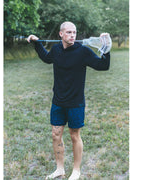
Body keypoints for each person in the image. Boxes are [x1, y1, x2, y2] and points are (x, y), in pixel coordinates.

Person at [27, 21, 110, 180]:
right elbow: (46, 58)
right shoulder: (57, 49)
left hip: (75, 102)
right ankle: (60, 169)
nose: (73, 35)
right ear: (61, 34)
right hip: (58, 101)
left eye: (74, 33)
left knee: (74, 136)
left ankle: (76, 171)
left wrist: (106, 50)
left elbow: (102, 66)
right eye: (69, 32)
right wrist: (37, 43)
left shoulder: (83, 52)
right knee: (55, 134)